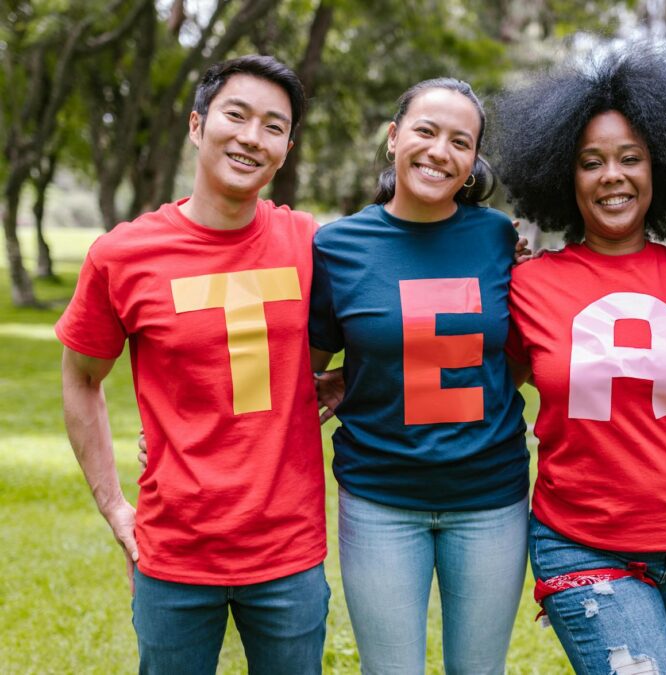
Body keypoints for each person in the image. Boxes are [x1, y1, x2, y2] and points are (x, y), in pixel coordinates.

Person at [57, 56, 329, 673]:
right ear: (197, 124)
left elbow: (389, 319)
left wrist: (341, 382)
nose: (251, 137)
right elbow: (80, 378)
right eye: (236, 115)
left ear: (286, 148)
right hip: (173, 551)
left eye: (273, 126)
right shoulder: (122, 256)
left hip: (288, 550)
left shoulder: (311, 243)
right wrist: (113, 506)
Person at [490, 46, 666, 674]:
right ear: (564, 177)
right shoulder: (529, 285)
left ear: (660, 168)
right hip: (580, 541)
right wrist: (359, 376)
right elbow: (469, 365)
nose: (612, 176)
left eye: (631, 158)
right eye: (591, 162)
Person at [307, 78, 529, 675]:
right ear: (393, 138)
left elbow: (522, 352)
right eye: (426, 131)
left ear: (473, 162)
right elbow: (303, 369)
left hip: (491, 500)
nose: (440, 151)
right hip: (381, 499)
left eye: (461, 141)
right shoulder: (338, 246)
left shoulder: (498, 237)